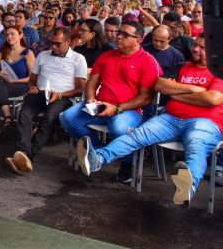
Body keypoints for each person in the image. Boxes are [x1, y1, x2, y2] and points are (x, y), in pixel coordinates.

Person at [77, 35, 222, 207]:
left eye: (202, 48)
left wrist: (176, 93)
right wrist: (194, 90)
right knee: (138, 135)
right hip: (170, 119)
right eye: (195, 45)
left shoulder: (219, 72)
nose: (195, 49)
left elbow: (212, 98)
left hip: (204, 122)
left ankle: (186, 188)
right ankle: (98, 159)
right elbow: (160, 86)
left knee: (195, 144)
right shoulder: (181, 67)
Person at [60, 21, 160, 184]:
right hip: (100, 104)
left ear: (138, 39)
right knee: (67, 117)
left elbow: (146, 98)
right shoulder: (107, 56)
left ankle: (125, 166)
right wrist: (91, 98)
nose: (119, 36)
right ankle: (99, 151)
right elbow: (92, 82)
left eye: (125, 35)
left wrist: (117, 108)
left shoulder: (148, 62)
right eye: (120, 32)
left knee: (118, 128)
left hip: (130, 110)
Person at [6, 27, 87, 174]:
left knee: (49, 117)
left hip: (63, 96)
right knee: (24, 113)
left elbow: (81, 89)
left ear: (68, 42)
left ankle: (28, 155)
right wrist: (31, 87)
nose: (53, 46)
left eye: (57, 43)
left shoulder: (78, 59)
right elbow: (32, 80)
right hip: (41, 92)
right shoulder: (43, 55)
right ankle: (23, 151)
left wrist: (60, 95)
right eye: (51, 43)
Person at [0, 26, 35, 144]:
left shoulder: (28, 53)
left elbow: (32, 78)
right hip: (2, 84)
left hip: (20, 84)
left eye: (12, 34)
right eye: (7, 35)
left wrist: (14, 81)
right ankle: (7, 112)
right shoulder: (1, 52)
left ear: (20, 35)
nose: (9, 37)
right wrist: (0, 73)